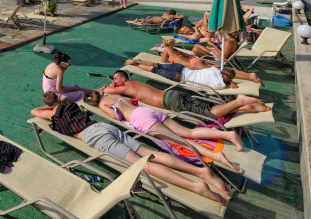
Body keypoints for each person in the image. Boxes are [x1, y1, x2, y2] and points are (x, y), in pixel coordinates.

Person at [31, 92, 230, 205]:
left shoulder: (53, 114)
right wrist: (59, 101)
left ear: (49, 106)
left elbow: (35, 112)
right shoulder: (72, 105)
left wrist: (50, 108)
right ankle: (200, 171)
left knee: (143, 165)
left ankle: (195, 186)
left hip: (94, 136)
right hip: (103, 127)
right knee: (149, 154)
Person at [87, 92, 244, 171]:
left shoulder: (102, 104)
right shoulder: (114, 94)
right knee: (188, 133)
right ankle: (228, 134)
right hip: (146, 111)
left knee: (183, 142)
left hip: (141, 120)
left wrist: (109, 110)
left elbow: (116, 116)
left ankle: (217, 156)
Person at [103, 71, 271, 119]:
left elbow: (107, 91)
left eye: (116, 78)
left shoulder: (125, 87)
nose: (114, 81)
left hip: (171, 102)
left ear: (123, 79)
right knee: (210, 107)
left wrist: (110, 86)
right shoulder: (134, 83)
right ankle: (248, 107)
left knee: (212, 114)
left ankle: (239, 101)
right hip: (172, 94)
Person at [124, 58, 263, 87]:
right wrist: (230, 83)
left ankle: (136, 61)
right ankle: (138, 65)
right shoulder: (220, 85)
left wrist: (229, 80)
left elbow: (221, 74)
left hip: (181, 68)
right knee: (154, 70)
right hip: (179, 76)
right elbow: (224, 82)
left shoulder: (215, 70)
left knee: (157, 64)